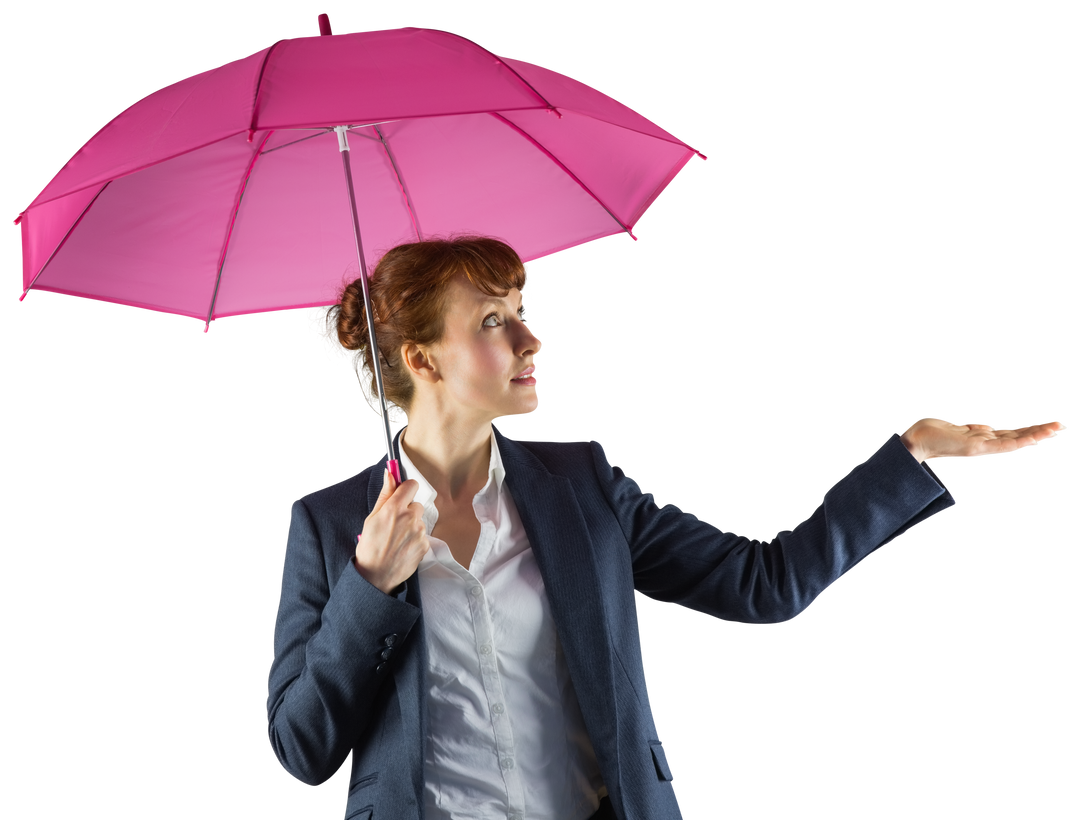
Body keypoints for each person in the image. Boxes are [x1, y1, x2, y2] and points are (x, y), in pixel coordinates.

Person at [265, 236, 1067, 820]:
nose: (530, 338)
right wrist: (369, 585)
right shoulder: (331, 525)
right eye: (491, 322)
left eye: (524, 311)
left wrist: (909, 454)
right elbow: (302, 752)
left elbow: (765, 585)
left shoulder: (584, 484)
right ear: (422, 360)